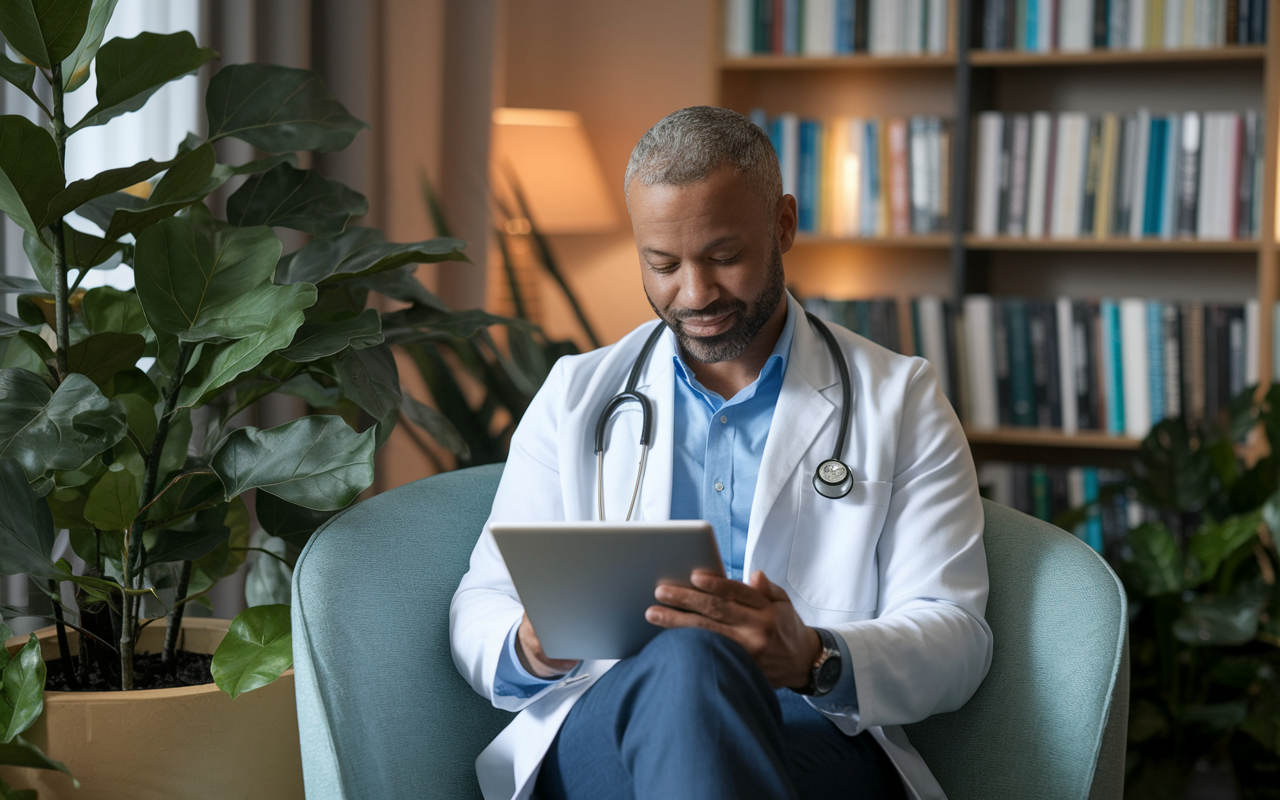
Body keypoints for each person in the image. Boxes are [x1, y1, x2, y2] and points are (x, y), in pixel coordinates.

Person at [450, 106, 992, 800]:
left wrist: (815, 658)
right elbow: (482, 603)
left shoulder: (900, 398)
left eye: (723, 256)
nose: (695, 293)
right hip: (611, 734)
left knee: (697, 675)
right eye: (663, 264)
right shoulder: (577, 395)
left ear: (784, 224)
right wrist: (529, 646)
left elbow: (956, 636)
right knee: (689, 665)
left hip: (817, 738)